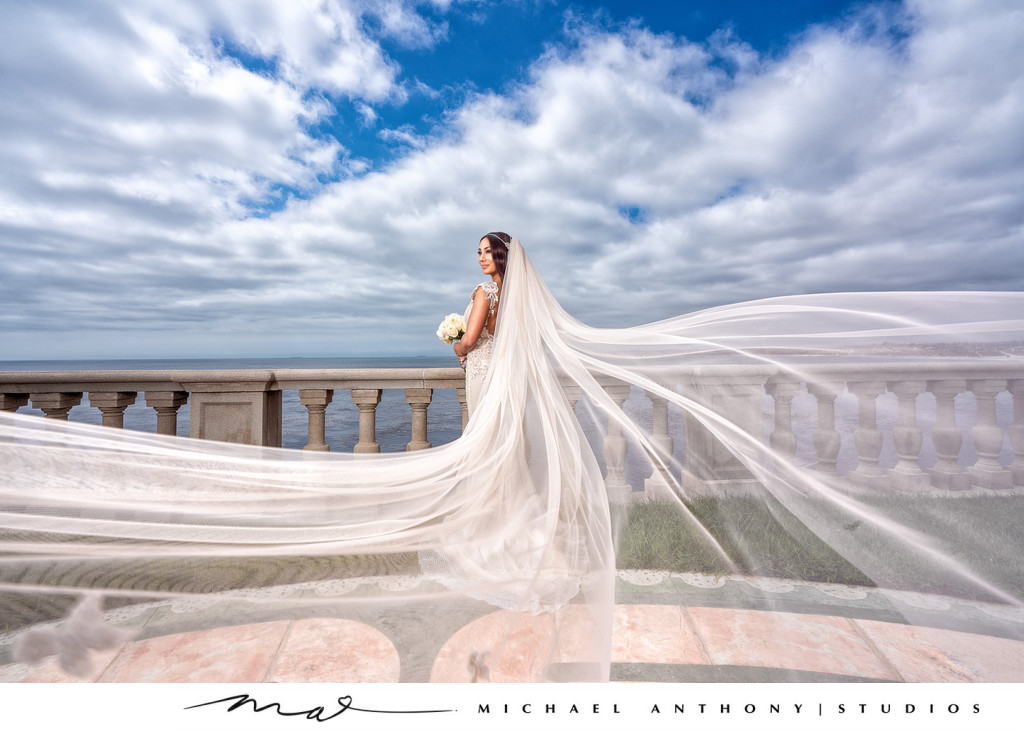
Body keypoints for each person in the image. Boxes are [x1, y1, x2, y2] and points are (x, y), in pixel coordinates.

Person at [1, 237, 1023, 684]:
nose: (479, 270)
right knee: (510, 472)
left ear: (493, 262)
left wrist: (451, 327)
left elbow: (462, 348)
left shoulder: (485, 298)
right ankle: (523, 536)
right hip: (512, 389)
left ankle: (506, 541)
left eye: (481, 258)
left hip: (488, 385)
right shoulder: (522, 294)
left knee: (486, 471)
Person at [453, 232, 510, 416]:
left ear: (502, 254)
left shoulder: (486, 290)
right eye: (479, 253)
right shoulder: (514, 295)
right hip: (505, 369)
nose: (481, 259)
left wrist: (459, 348)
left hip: (482, 370)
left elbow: (469, 341)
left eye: (488, 251)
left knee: (481, 428)